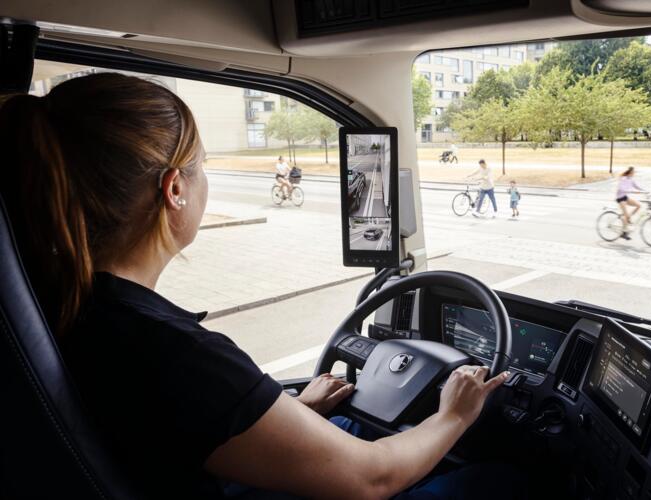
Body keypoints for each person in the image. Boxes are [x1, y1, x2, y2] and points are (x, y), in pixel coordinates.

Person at [0, 73, 516, 499]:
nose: (205, 180)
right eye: (201, 166)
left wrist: (283, 411)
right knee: (502, 480)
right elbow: (372, 477)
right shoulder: (171, 350)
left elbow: (173, 428)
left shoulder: (63, 305)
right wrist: (455, 414)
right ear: (174, 189)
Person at [615, 167, 646, 240]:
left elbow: (637, 186)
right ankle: (623, 233)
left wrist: (645, 191)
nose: (634, 173)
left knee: (638, 205)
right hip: (620, 198)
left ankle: (628, 218)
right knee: (626, 215)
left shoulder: (631, 179)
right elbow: (620, 188)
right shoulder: (623, 178)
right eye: (633, 172)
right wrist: (630, 190)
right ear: (630, 172)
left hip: (625, 197)